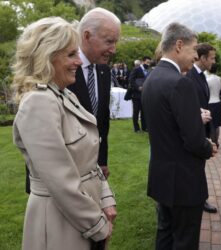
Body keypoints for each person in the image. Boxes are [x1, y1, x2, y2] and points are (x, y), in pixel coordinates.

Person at [12, 17, 116, 250]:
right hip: (61, 222)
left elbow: (89, 161)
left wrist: (106, 198)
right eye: (71, 55)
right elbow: (61, 181)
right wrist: (97, 224)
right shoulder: (39, 102)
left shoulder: (63, 94)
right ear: (47, 57)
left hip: (80, 215)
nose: (79, 61)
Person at [141, 22, 217, 250]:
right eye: (194, 49)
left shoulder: (153, 78)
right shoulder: (180, 82)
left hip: (162, 176)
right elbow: (194, 141)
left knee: (165, 235)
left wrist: (193, 117)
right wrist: (208, 146)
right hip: (183, 181)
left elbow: (163, 122)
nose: (196, 56)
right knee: (184, 240)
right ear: (179, 45)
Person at [68, 7, 121, 179]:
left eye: (115, 42)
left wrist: (102, 160)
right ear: (87, 36)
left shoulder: (103, 71)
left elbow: (102, 122)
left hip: (92, 170)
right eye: (109, 42)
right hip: (66, 171)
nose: (114, 49)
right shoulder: (62, 68)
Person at [187, 43, 218, 214]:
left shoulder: (201, 75)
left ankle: (200, 197)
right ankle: (199, 199)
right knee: (196, 166)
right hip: (195, 128)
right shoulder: (190, 76)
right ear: (203, 58)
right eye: (212, 58)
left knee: (200, 166)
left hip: (203, 126)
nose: (213, 61)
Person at [129, 56, 151, 132]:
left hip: (144, 94)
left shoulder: (148, 70)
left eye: (149, 63)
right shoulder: (136, 69)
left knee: (144, 112)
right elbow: (131, 80)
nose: (148, 64)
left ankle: (144, 127)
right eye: (147, 62)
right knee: (136, 112)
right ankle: (136, 128)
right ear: (143, 61)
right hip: (136, 95)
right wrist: (138, 87)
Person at [206, 64, 221, 146]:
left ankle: (213, 142)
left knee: (211, 124)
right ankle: (216, 141)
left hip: (210, 103)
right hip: (218, 102)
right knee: (217, 125)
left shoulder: (207, 79)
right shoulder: (219, 78)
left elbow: (206, 91)